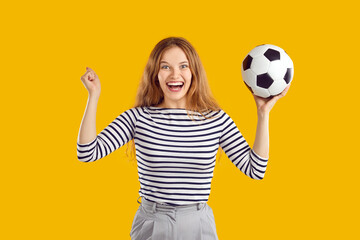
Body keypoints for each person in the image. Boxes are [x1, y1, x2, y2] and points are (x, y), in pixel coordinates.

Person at [77, 37, 290, 240]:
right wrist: (93, 96)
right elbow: (87, 153)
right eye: (165, 66)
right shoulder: (138, 118)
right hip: (152, 223)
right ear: (155, 74)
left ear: (194, 72)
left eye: (183, 66)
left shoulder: (216, 119)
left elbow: (255, 169)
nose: (174, 74)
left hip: (198, 224)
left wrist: (263, 115)